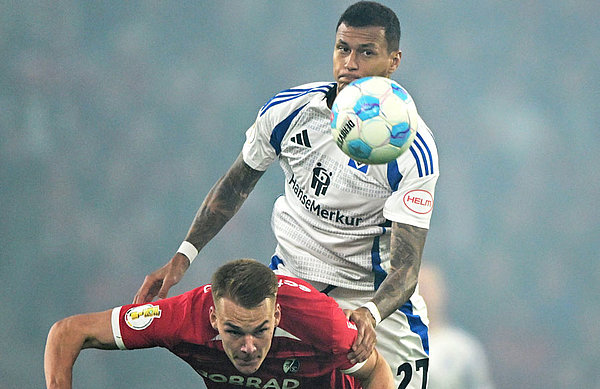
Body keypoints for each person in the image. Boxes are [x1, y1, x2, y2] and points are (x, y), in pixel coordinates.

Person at [134, 2, 439, 387]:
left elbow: (407, 268)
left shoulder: (413, 151)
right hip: (291, 290)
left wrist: (371, 314)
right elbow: (235, 186)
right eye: (343, 48)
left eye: (366, 52)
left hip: (369, 300)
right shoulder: (289, 111)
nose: (350, 63)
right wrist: (182, 256)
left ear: (393, 61)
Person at [45, 259, 394, 388]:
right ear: (213, 318)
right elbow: (67, 333)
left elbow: (377, 372)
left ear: (277, 316)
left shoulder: (325, 326)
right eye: (233, 332)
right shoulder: (180, 317)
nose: (247, 347)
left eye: (260, 330)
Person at [418, 265, 495, 389]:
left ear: (443, 291)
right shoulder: (398, 342)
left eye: (428, 287)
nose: (423, 294)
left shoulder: (464, 347)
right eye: (418, 288)